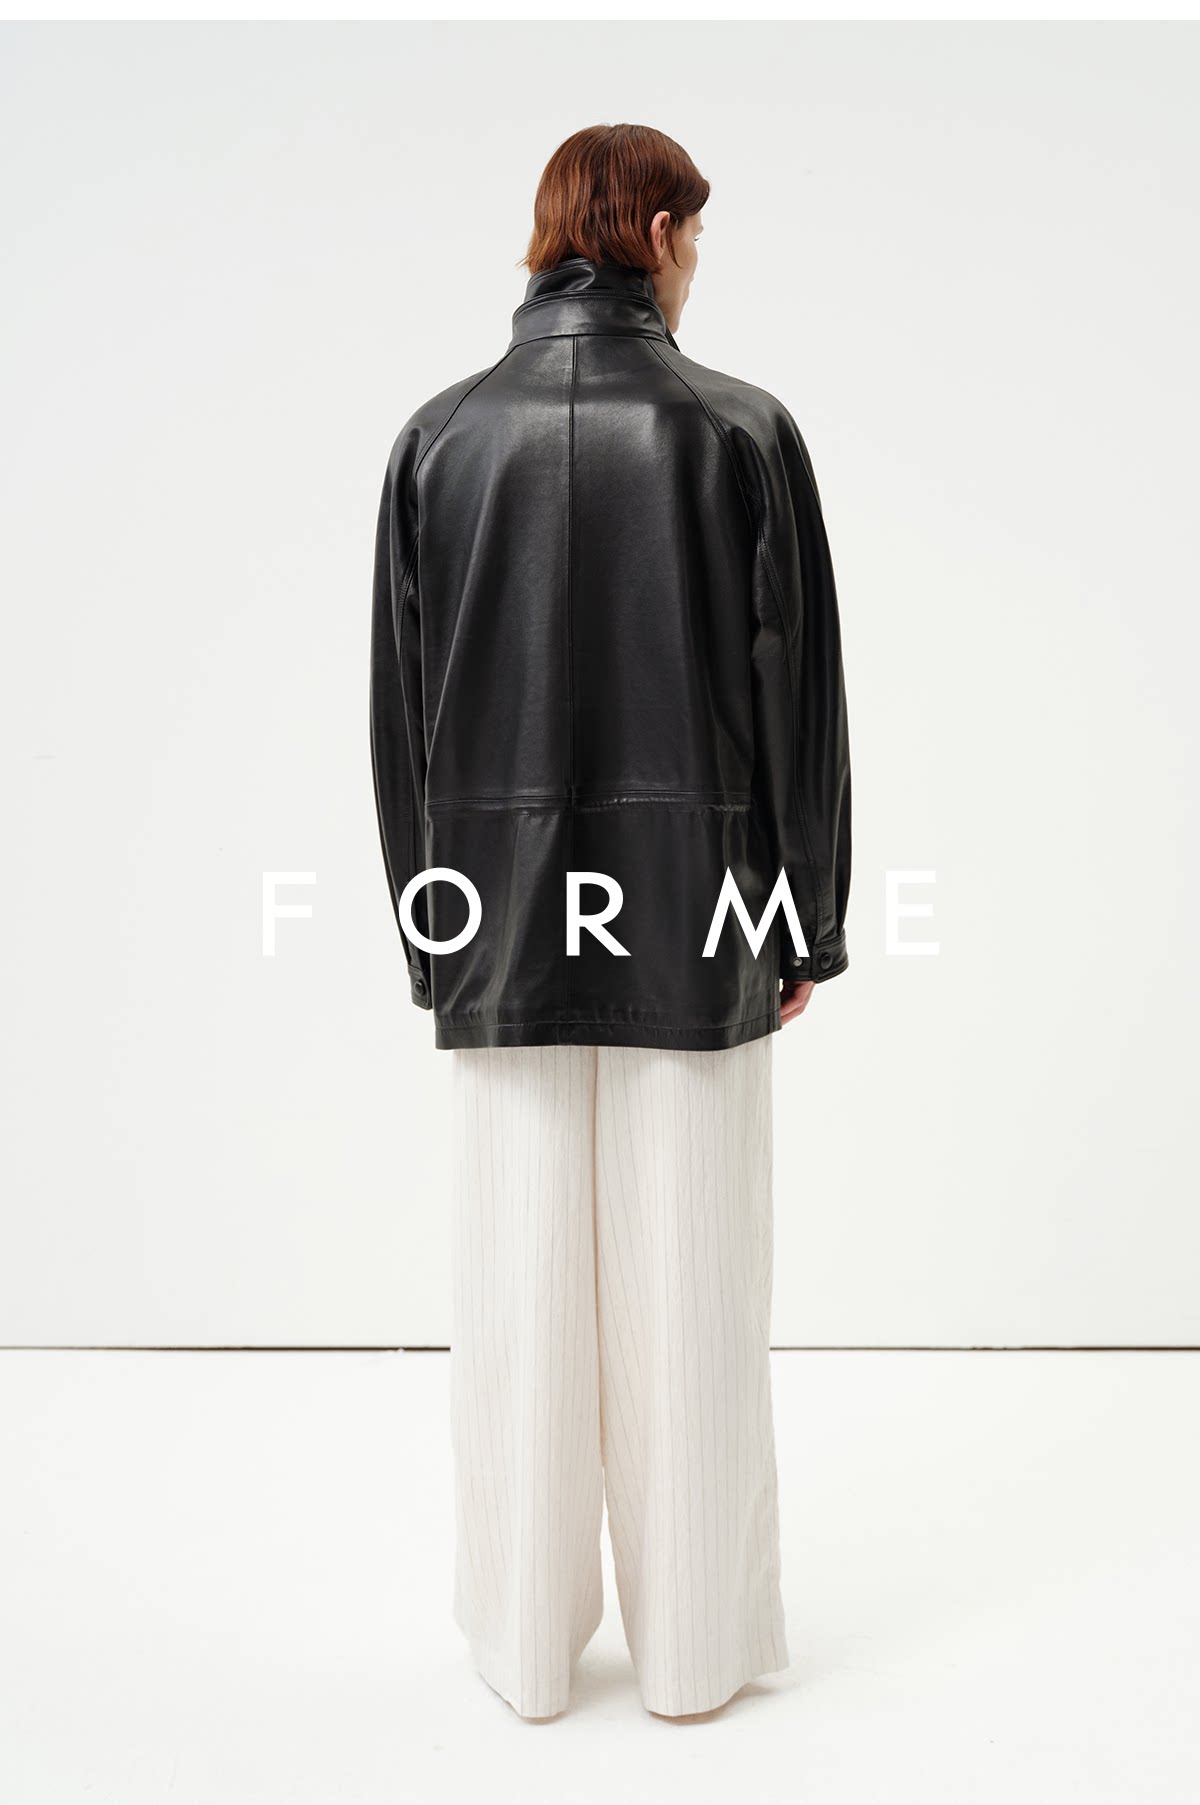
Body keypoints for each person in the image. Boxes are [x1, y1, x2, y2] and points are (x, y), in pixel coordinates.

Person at [370, 123, 851, 1721]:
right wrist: (805, 920)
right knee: (693, 1290)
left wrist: (432, 930)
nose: (699, 265)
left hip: (499, 922)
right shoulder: (739, 430)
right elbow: (803, 703)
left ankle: (523, 1647)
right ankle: (694, 1653)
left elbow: (400, 724)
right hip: (703, 920)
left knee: (516, 1294)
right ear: (651, 230)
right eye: (695, 234)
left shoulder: (440, 440)